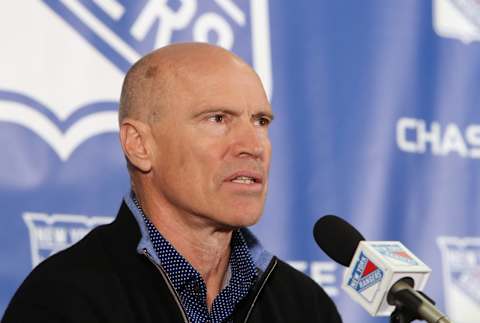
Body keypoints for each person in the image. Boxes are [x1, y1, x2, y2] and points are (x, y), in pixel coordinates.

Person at [2, 43, 341, 323]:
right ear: (140, 145)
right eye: (218, 118)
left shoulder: (305, 306)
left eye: (260, 121)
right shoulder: (64, 301)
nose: (252, 145)